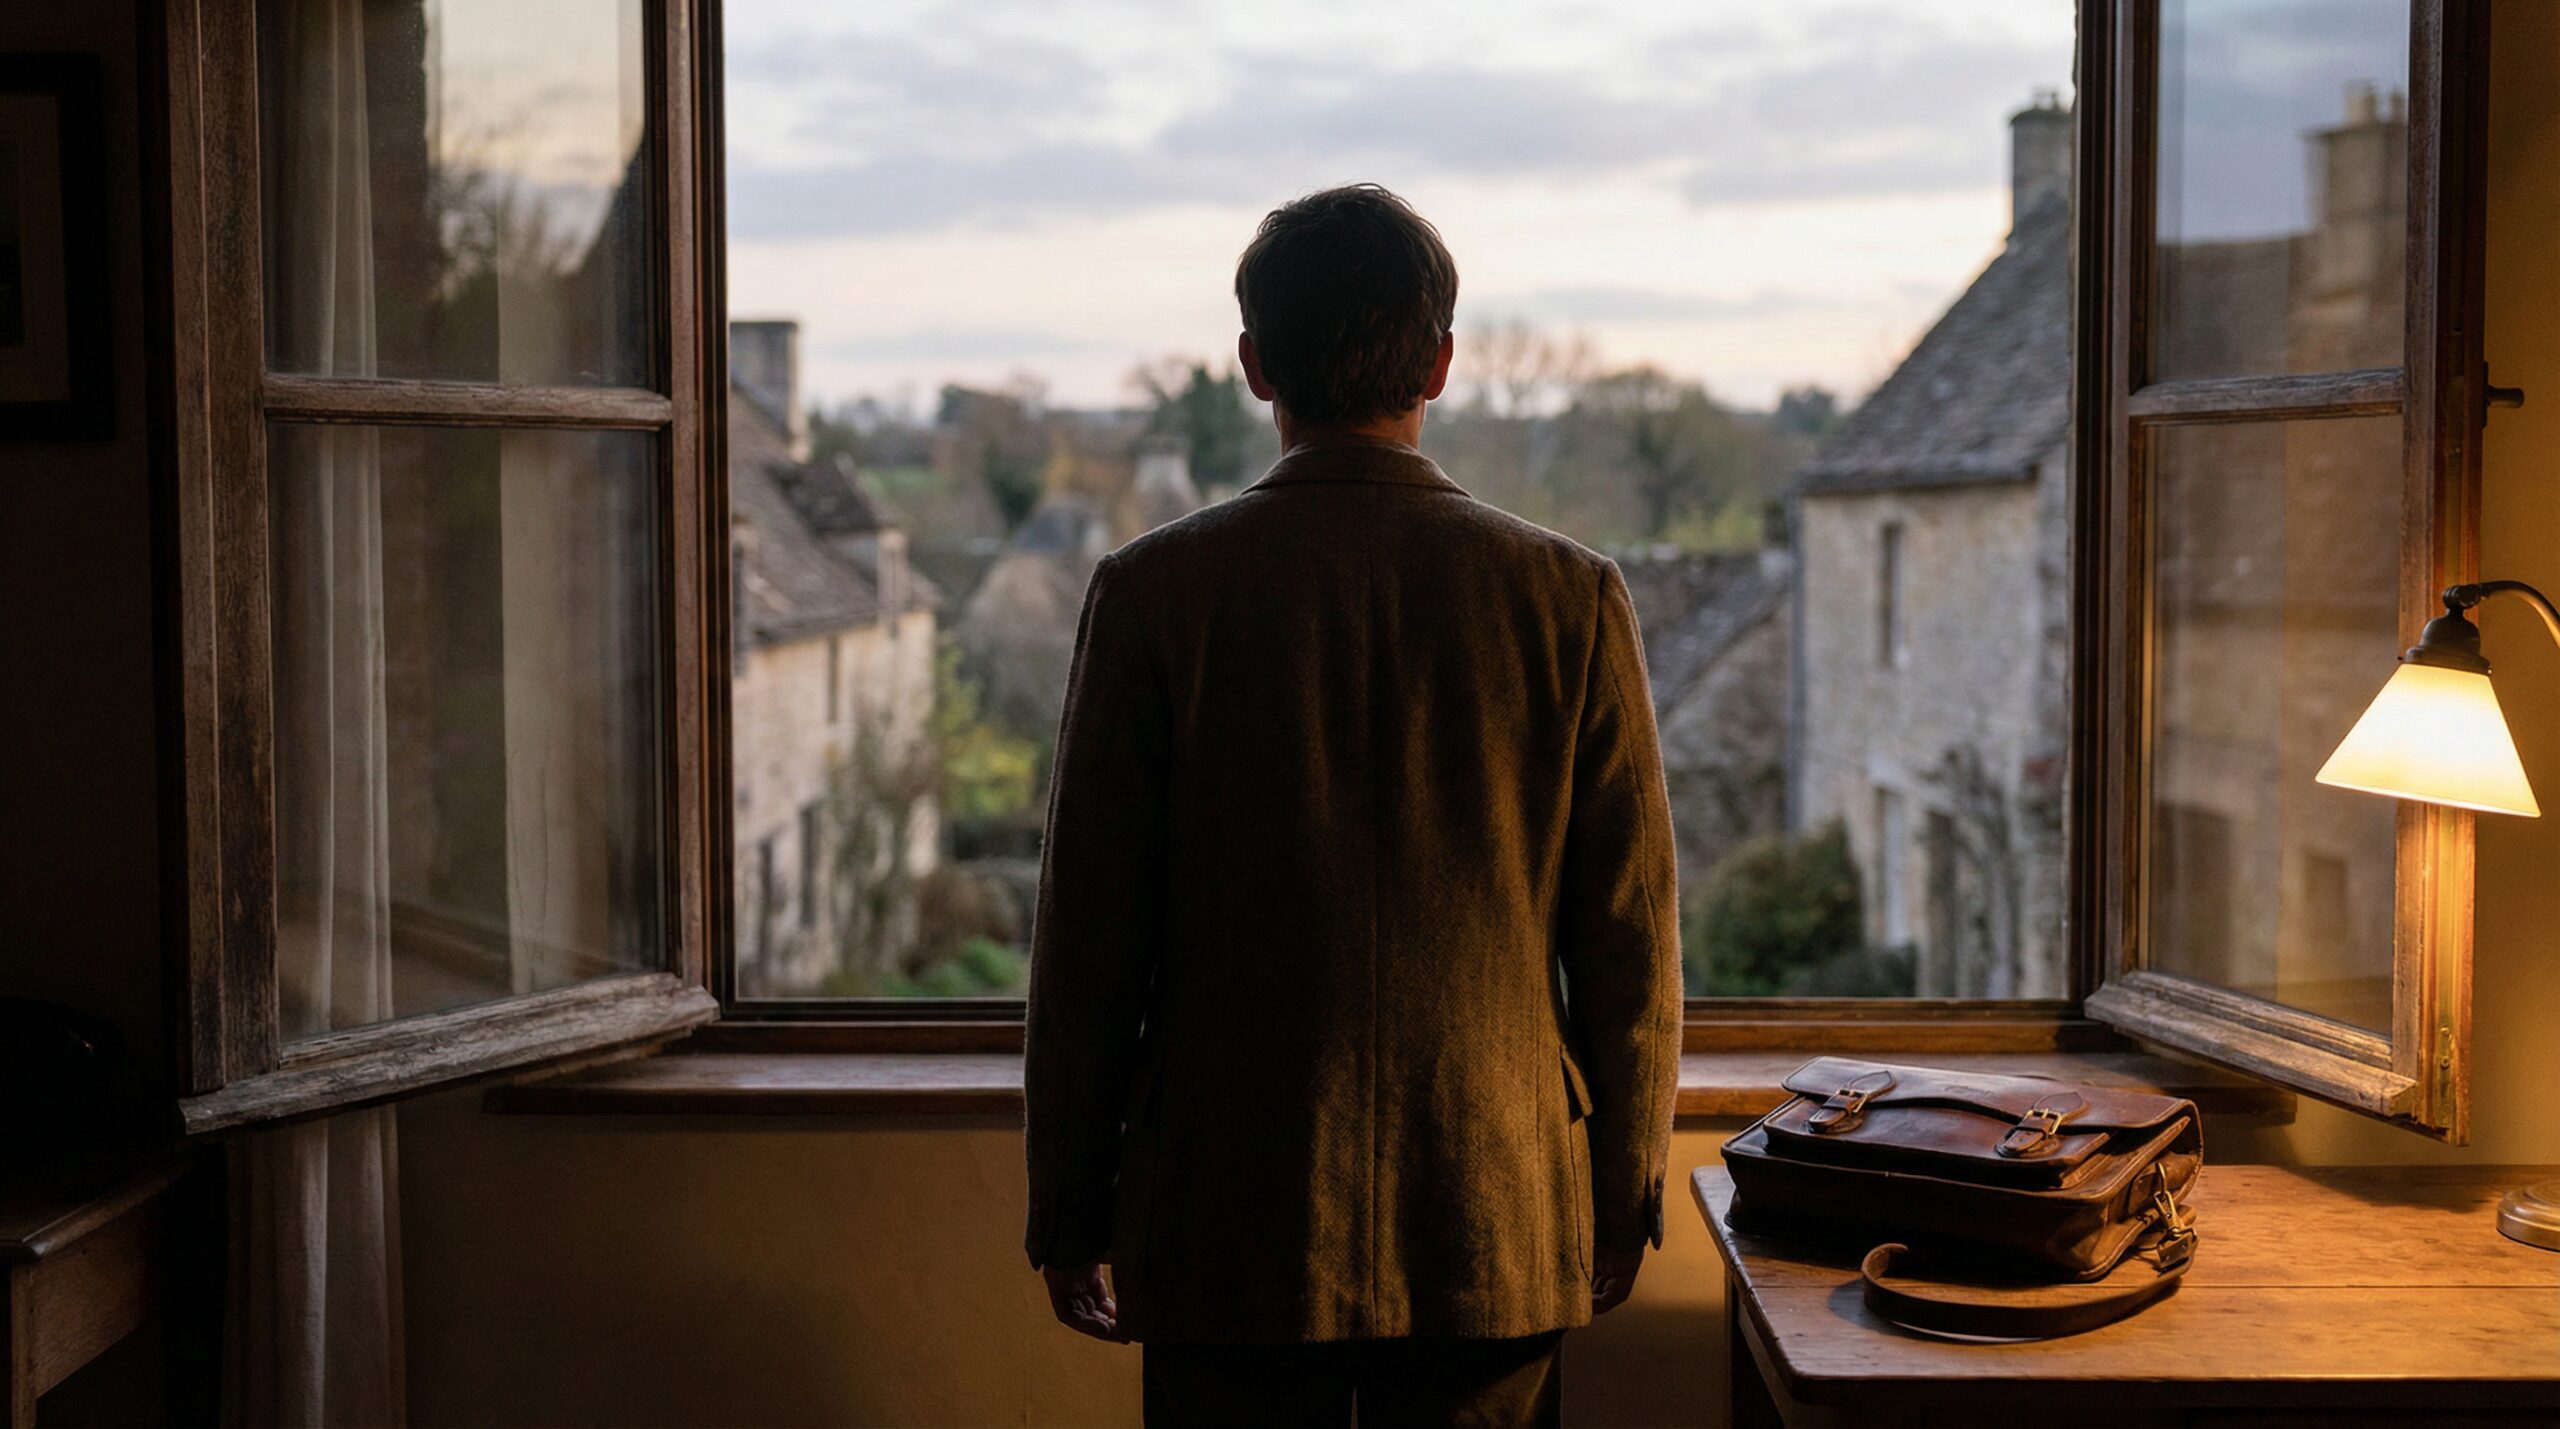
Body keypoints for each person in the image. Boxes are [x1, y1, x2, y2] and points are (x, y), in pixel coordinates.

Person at [1023, 183, 1682, 1429]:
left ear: (1253, 366)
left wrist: (1070, 1203)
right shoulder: (1569, 598)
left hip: (1231, 1213)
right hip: (1495, 1206)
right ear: (1440, 359)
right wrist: (1620, 1184)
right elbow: (1627, 942)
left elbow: (1089, 944)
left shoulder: (1154, 594)